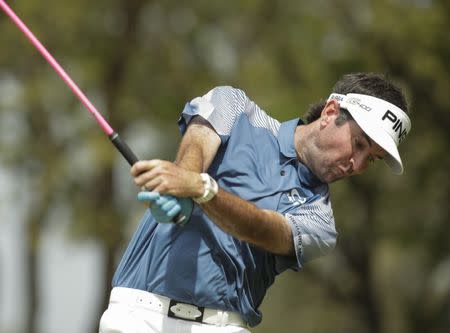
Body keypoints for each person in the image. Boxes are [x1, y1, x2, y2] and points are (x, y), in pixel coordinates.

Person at [99, 72, 411, 333]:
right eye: (358, 144)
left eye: (370, 159)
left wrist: (203, 190)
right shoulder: (236, 108)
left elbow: (265, 230)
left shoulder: (321, 222)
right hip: (137, 315)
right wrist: (179, 185)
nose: (356, 164)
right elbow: (197, 143)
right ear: (330, 113)